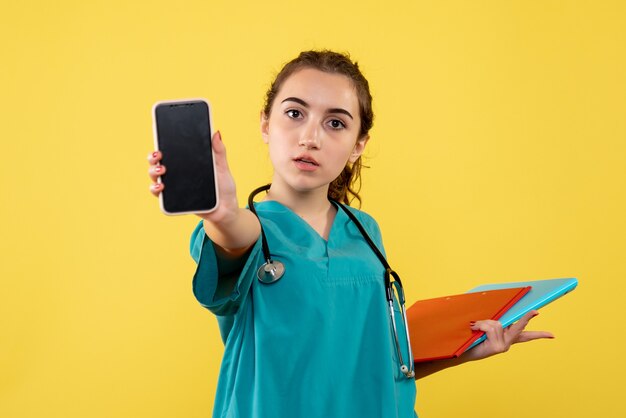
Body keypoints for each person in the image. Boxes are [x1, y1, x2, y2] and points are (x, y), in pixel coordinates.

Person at [147, 50, 553, 418]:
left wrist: (463, 352)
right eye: (294, 114)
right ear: (265, 124)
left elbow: (377, 360)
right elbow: (237, 237)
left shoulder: (366, 232)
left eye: (335, 123)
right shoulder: (252, 227)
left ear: (358, 145)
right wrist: (221, 214)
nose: (310, 137)